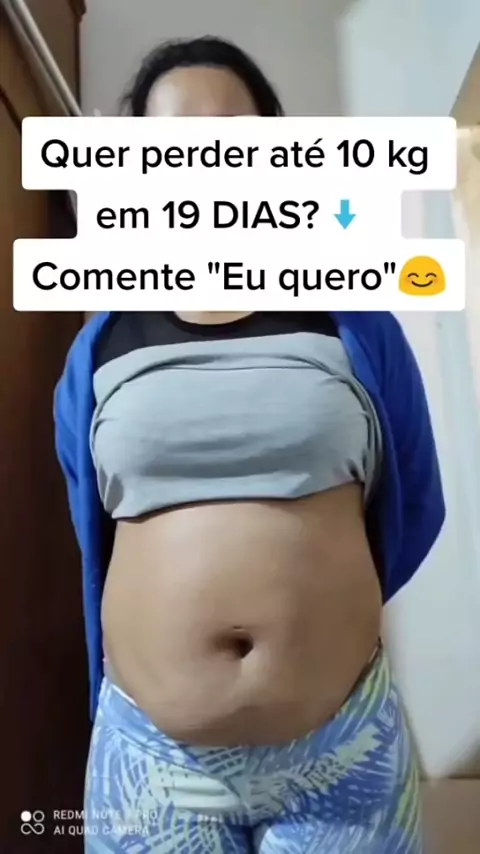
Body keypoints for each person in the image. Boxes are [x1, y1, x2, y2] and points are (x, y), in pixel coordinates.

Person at [55, 36, 445, 854]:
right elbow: (93, 519)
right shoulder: (99, 347)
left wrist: (321, 614)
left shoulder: (354, 321)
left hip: (342, 755)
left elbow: (413, 498)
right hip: (153, 764)